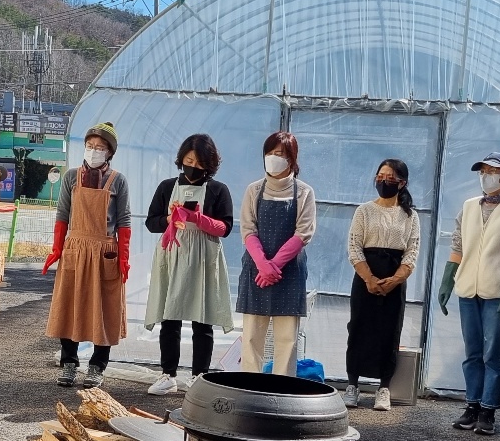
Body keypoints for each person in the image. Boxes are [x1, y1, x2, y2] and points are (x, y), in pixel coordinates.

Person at [437, 152, 500, 436]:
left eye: (493, 171)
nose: (486, 175)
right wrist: (447, 282)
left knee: (494, 352)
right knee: (472, 352)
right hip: (468, 288)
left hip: (497, 290)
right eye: (483, 170)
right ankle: (471, 405)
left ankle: (488, 409)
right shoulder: (468, 207)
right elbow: (458, 246)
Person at [145, 133, 235, 395]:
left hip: (204, 258)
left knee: (202, 319)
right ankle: (168, 375)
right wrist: (169, 220)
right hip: (173, 254)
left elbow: (225, 228)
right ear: (181, 159)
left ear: (209, 164)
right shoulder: (165, 187)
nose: (192, 166)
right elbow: (152, 223)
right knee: (169, 317)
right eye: (188, 159)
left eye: (199, 162)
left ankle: (199, 376)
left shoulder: (219, 190)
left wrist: (199, 218)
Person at [44, 122, 131, 388]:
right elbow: (62, 214)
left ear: (110, 152)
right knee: (69, 306)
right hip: (75, 248)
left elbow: (124, 220)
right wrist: (57, 249)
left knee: (104, 309)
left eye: (100, 148)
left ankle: (97, 366)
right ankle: (69, 363)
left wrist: (124, 258)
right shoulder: (71, 177)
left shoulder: (118, 180)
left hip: (105, 250)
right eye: (90, 146)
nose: (94, 151)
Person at [344, 159, 420, 411]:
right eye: (380, 175)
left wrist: (395, 279)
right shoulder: (364, 210)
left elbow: (412, 251)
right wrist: (369, 278)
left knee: (390, 331)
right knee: (358, 328)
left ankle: (383, 388)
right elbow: (354, 246)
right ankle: (352, 384)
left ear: (402, 183)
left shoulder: (410, 215)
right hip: (366, 275)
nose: (383, 180)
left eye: (390, 177)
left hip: (394, 279)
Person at [238, 131, 315, 376]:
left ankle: (282, 391)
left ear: (292, 159)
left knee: (286, 339)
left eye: (280, 154)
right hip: (256, 269)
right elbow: (248, 229)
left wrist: (274, 266)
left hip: (289, 272)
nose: (273, 158)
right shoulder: (253, 190)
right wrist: (262, 264)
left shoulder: (304, 192)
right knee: (251, 337)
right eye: (270, 153)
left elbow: (303, 233)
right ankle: (249, 389)